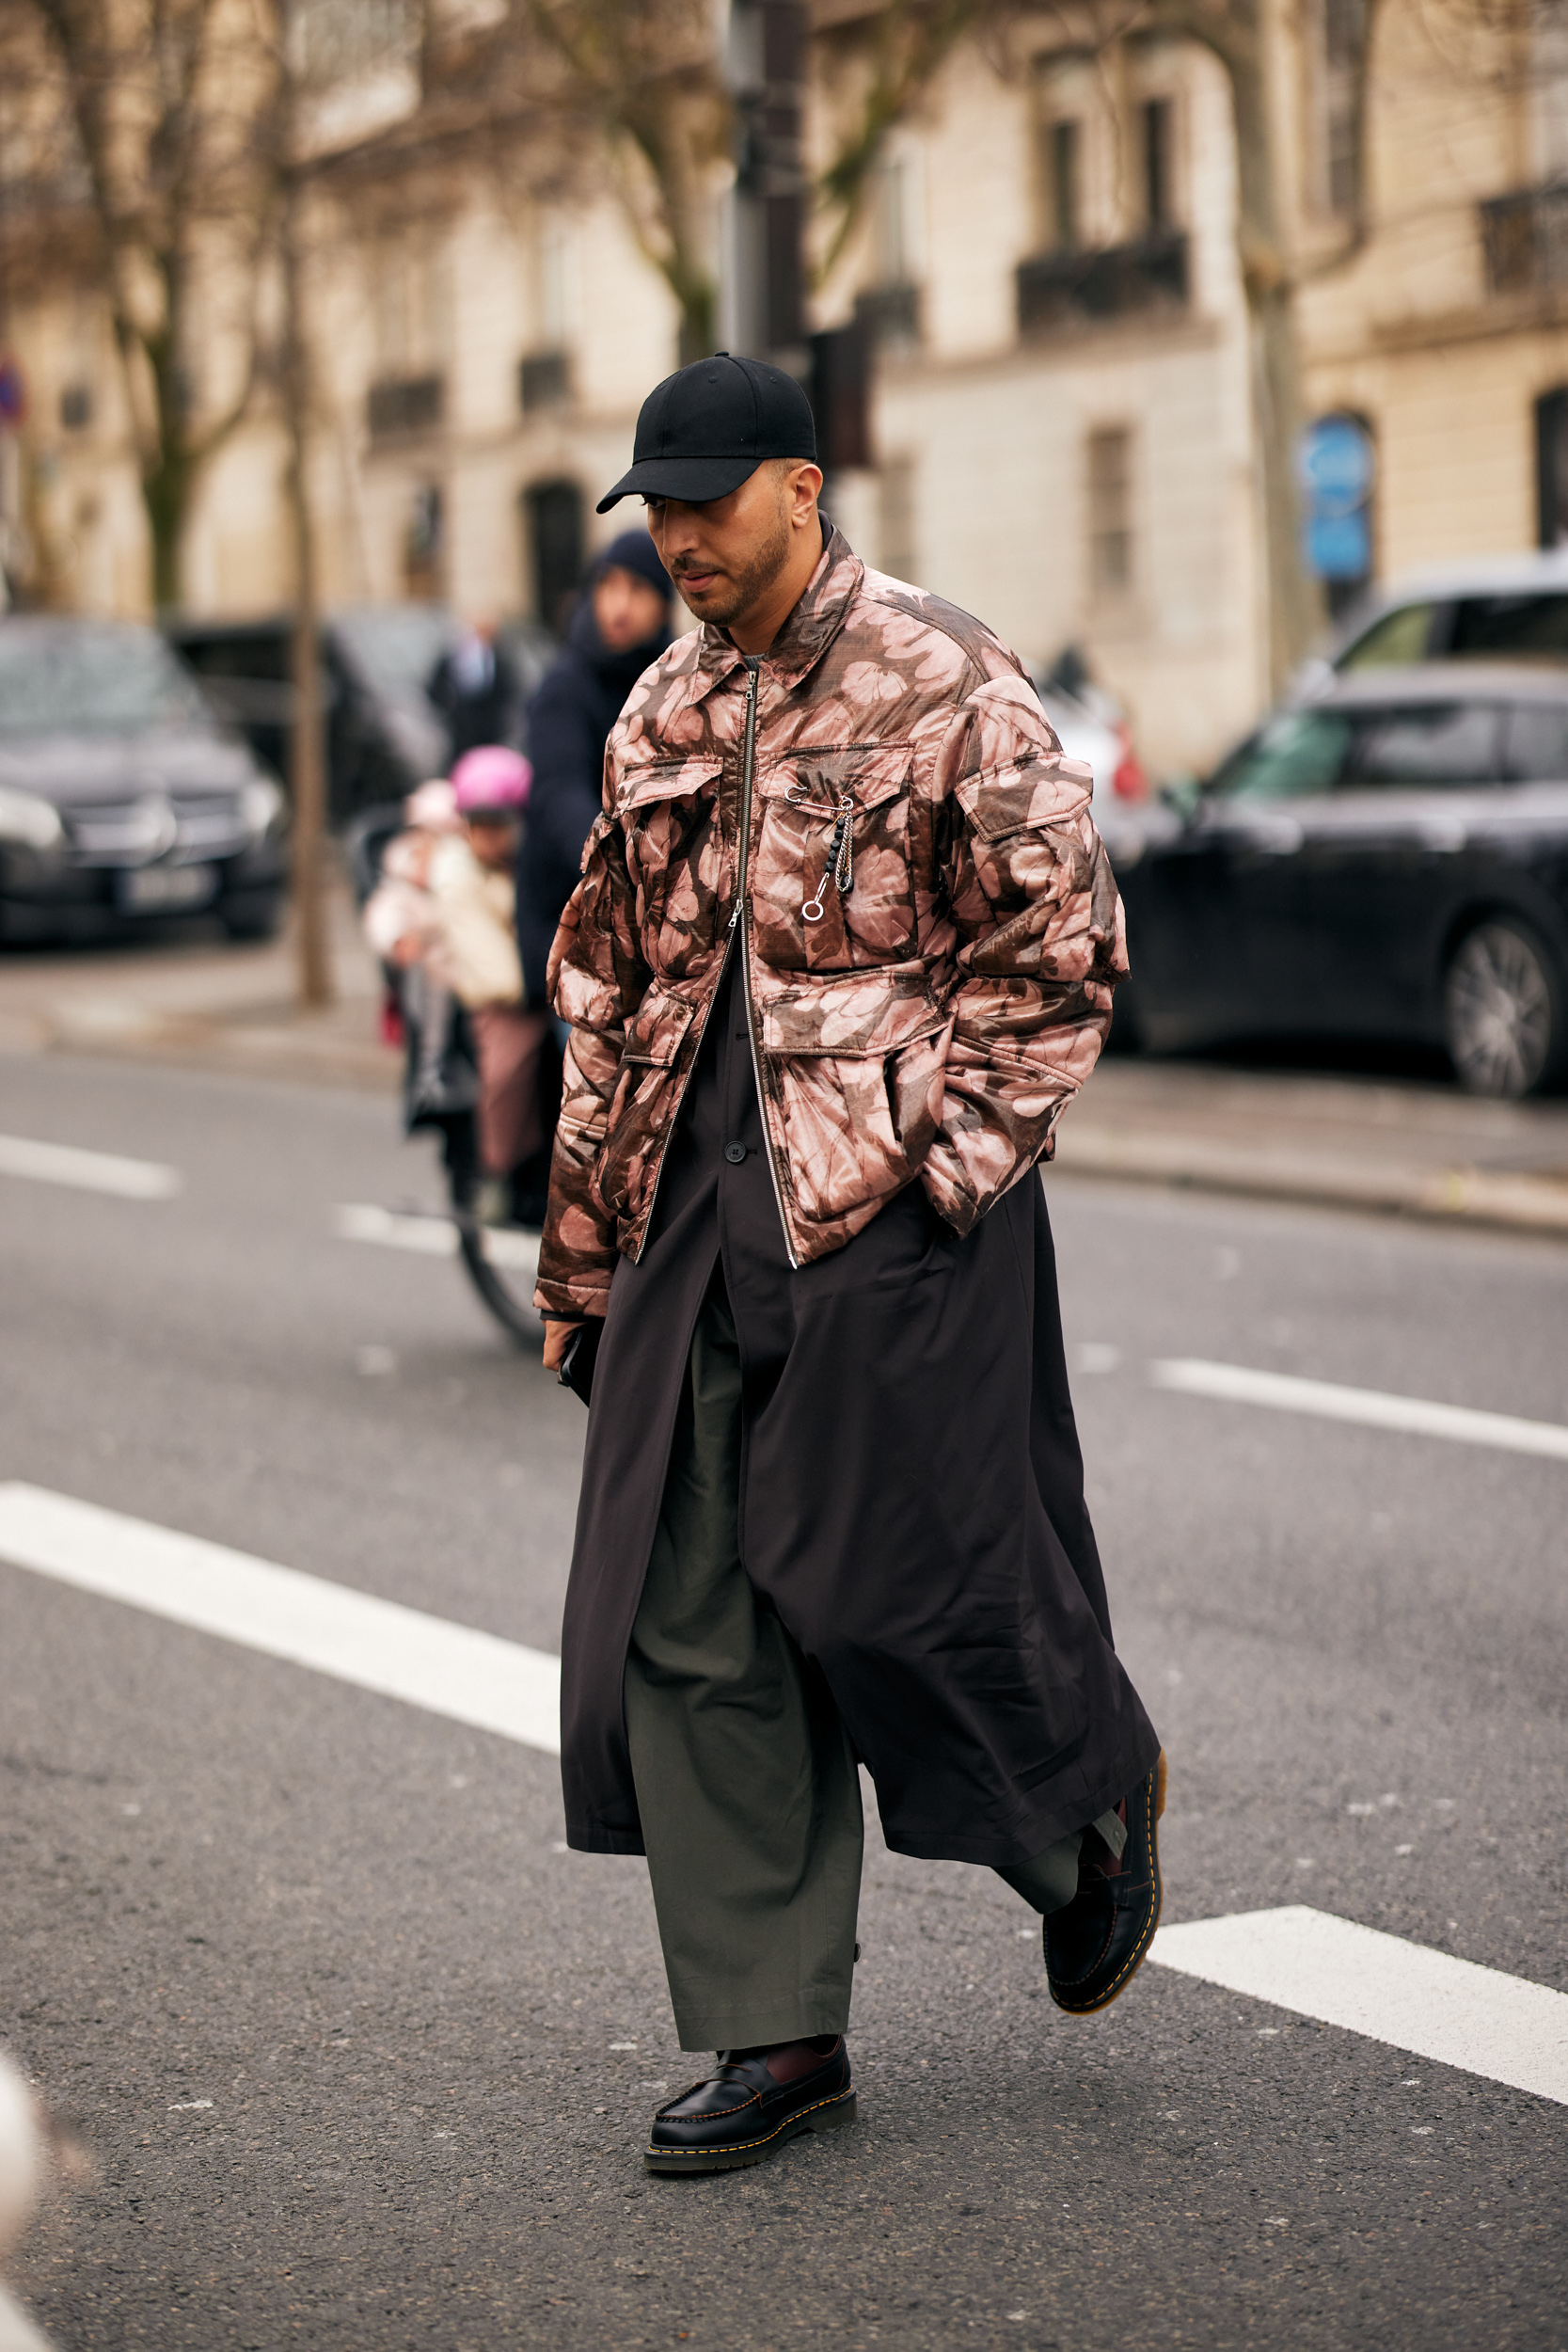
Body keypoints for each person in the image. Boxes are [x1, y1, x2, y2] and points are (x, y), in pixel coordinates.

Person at [532, 353, 1163, 2178]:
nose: (675, 538)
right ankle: (773, 2025)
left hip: (883, 1215)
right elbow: (612, 985)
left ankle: (1080, 1818)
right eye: (654, 507)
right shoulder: (654, 705)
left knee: (891, 1585)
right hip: (688, 1217)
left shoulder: (943, 674)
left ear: (802, 487)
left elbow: (1058, 941)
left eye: (707, 502)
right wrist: (584, 1242)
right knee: (691, 1611)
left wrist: (953, 1173)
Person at [515, 530, 674, 1017]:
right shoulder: (566, 685)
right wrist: (617, 867)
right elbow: (559, 793)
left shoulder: (674, 677)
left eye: (638, 590)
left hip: (656, 929)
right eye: (610, 587)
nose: (620, 607)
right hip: (576, 923)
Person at [435, 747, 550, 1216]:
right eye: (478, 825)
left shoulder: (519, 869)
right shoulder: (458, 876)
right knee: (506, 1072)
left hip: (531, 990)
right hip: (503, 1000)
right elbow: (489, 965)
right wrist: (536, 982)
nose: (488, 837)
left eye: (498, 825)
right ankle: (495, 1168)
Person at [427, 615, 521, 761]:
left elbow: (508, 690)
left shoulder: (499, 659)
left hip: (490, 729)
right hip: (460, 729)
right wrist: (449, 706)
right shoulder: (453, 659)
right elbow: (435, 688)